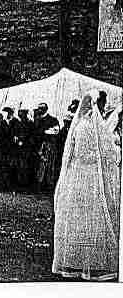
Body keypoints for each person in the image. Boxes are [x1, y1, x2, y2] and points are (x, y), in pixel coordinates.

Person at [53, 91, 120, 281]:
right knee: (92, 215)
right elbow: (105, 153)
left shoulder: (78, 125)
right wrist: (115, 150)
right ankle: (92, 261)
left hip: (75, 175)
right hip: (90, 175)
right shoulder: (95, 127)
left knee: (76, 216)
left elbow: (71, 152)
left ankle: (74, 258)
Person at [34, 103, 60, 192]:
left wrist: (45, 132)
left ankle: (48, 186)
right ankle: (38, 186)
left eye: (41, 109)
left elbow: (56, 131)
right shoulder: (37, 119)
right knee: (39, 167)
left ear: (45, 109)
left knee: (48, 165)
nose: (39, 110)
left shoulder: (52, 119)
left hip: (48, 145)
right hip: (38, 145)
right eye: (38, 109)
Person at [14, 109, 36, 189]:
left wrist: (25, 142)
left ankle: (25, 184)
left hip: (27, 147)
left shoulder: (30, 123)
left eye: (22, 114)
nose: (21, 115)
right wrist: (16, 137)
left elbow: (32, 136)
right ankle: (19, 183)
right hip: (19, 147)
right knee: (19, 165)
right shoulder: (18, 123)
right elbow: (15, 132)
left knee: (25, 166)